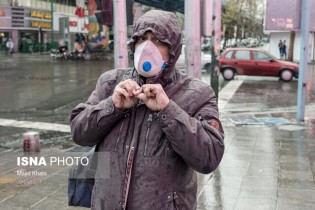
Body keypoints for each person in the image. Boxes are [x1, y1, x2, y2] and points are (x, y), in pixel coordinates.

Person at [70, 10, 224, 210]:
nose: (147, 47)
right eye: (142, 39)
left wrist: (167, 110)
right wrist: (113, 106)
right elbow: (79, 133)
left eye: (158, 41)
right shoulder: (110, 82)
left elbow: (209, 157)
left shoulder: (197, 93)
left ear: (173, 49)